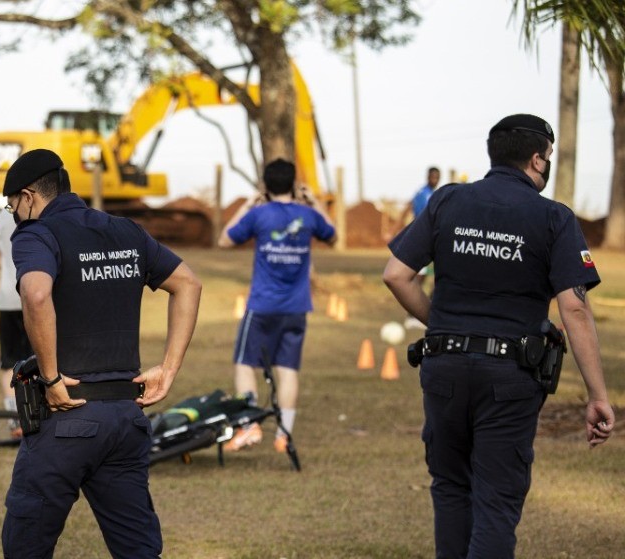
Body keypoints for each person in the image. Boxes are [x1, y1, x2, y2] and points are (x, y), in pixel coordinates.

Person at [383, 114, 614, 558]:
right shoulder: (553, 217)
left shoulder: (447, 200)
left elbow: (396, 275)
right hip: (510, 377)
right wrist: (597, 395)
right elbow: (574, 309)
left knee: (451, 487)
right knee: (496, 501)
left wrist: (445, 326)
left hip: (444, 368)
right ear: (537, 160)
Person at [0, 149, 201, 558]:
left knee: (25, 545)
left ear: (28, 197)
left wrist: (51, 378)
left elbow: (36, 294)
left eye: (12, 206)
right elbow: (188, 284)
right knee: (138, 549)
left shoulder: (37, 234)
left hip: (67, 415)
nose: (14, 215)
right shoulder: (126, 231)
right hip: (126, 421)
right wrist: (168, 369)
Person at [217, 159, 336, 453]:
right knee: (288, 369)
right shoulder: (308, 215)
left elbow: (224, 240)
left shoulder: (259, 214)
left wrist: (248, 204)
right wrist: (315, 202)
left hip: (262, 306)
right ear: (294, 185)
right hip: (296, 307)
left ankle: (249, 426)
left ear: (265, 186)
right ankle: (283, 434)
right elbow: (333, 236)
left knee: (245, 364)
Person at [0, 206, 32, 422]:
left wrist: (8, 267)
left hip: (7, 298)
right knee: (38, 359)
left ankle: (14, 417)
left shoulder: (2, 216)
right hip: (34, 295)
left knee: (8, 362)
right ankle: (35, 412)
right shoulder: (40, 212)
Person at [400, 166, 442, 329]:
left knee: (430, 278)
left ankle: (422, 313)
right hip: (424, 240)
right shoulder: (424, 194)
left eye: (437, 177)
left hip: (431, 240)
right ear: (428, 177)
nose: (435, 180)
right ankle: (413, 315)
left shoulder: (432, 193)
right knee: (419, 278)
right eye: (432, 177)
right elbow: (423, 217)